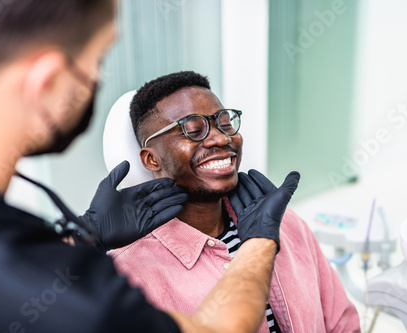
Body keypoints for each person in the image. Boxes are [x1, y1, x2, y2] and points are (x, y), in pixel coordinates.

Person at [0, 1, 299, 332]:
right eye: (96, 60)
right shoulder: (86, 300)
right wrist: (259, 242)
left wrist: (85, 232)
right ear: (47, 82)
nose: (96, 81)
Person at [109, 71, 361, 333]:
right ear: (151, 159)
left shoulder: (284, 224)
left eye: (225, 123)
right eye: (193, 129)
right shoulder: (129, 275)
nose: (221, 138)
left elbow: (343, 325)